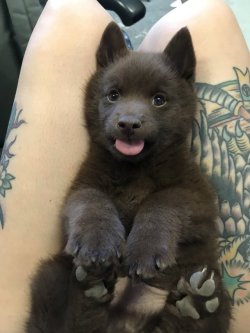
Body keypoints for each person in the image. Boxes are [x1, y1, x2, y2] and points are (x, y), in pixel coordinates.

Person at [0, 0, 249, 331]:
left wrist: (158, 217)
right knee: (54, 278)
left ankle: (94, 297)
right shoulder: (97, 168)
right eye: (113, 95)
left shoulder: (178, 175)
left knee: (70, 9)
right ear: (95, 96)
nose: (129, 117)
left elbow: (192, 205)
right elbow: (85, 196)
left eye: (158, 100)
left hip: (118, 304)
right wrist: (93, 213)